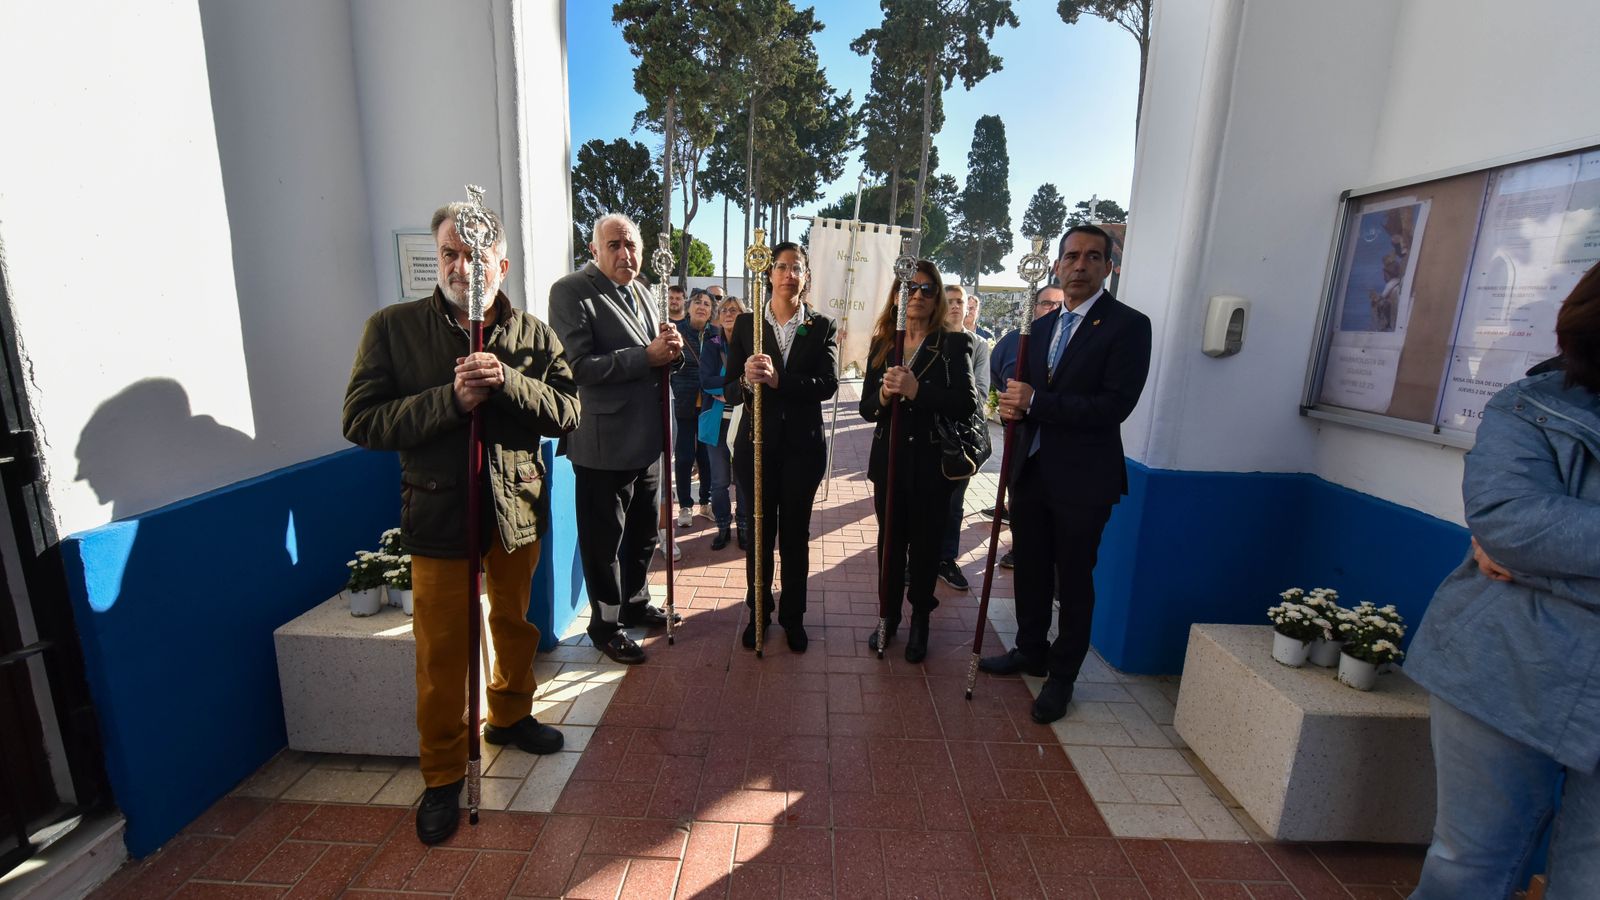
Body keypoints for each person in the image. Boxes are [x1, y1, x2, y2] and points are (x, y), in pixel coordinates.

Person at [342, 199, 582, 846]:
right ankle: (444, 774)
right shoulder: (392, 329)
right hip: (438, 511)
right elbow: (361, 421)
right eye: (449, 253)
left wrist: (508, 382)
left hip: (514, 511)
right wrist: (448, 401)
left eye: (475, 255)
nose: (461, 266)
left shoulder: (533, 336)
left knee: (514, 624)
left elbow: (567, 412)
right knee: (443, 650)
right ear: (436, 259)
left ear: (500, 264)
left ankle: (509, 715)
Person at [1404, 262, 1600, 898]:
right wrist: (1523, 546)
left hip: (1523, 619)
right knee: (1470, 863)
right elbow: (1512, 522)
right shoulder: (1534, 404)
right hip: (1505, 665)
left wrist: (1545, 566)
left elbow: (1523, 541)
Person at [979, 225, 1151, 724]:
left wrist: (1038, 402)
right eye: (1072, 256)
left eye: (1092, 257)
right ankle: (1029, 648)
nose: (1080, 265)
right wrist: (1015, 407)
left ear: (1108, 267)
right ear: (1057, 265)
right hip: (1030, 471)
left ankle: (1062, 676)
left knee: (1072, 580)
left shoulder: (1127, 326)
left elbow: (1114, 405)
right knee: (1030, 568)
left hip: (1083, 479)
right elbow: (1028, 395)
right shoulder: (1044, 326)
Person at [548, 213, 684, 666]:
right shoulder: (570, 291)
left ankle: (636, 601)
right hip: (603, 443)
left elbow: (656, 359)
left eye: (631, 245)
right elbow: (577, 367)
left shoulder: (646, 292)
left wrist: (672, 352)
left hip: (649, 438)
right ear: (594, 250)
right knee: (604, 542)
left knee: (644, 534)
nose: (625, 254)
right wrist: (644, 356)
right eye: (614, 245)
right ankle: (605, 625)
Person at [724, 242, 838, 652]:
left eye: (798, 268)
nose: (790, 274)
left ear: (806, 277)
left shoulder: (821, 325)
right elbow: (727, 388)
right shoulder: (747, 324)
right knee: (758, 534)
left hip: (802, 450)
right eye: (783, 266)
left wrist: (778, 382)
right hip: (756, 447)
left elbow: (828, 385)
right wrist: (744, 381)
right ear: (769, 273)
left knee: (794, 537)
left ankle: (793, 617)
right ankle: (759, 613)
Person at [860, 261, 976, 662]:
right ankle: (887, 618)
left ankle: (920, 622)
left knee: (925, 549)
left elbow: (966, 405)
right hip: (888, 463)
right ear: (896, 295)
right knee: (890, 545)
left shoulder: (953, 344)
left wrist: (916, 390)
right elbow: (865, 408)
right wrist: (884, 398)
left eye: (928, 289)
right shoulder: (883, 343)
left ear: (938, 297)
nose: (918, 295)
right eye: (910, 288)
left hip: (931, 466)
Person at [982, 285, 1064, 564]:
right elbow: (997, 378)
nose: (1052, 310)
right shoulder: (1015, 340)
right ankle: (1019, 548)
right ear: (1034, 307)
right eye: (1046, 304)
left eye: (1058, 305)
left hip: (1066, 449)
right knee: (1020, 497)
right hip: (1022, 437)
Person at [936, 285, 991, 591]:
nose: (956, 306)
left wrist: (940, 398)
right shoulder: (928, 339)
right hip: (927, 433)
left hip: (961, 436)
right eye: (950, 301)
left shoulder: (978, 345)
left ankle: (946, 558)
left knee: (954, 503)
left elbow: (979, 393)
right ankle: (912, 557)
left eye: (961, 301)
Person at [700, 296, 752, 551]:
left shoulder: (752, 344)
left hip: (744, 422)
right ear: (718, 317)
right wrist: (736, 385)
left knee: (743, 479)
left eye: (735, 310)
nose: (729, 314)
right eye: (724, 310)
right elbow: (706, 381)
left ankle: (743, 527)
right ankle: (722, 526)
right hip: (718, 423)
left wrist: (729, 388)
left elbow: (754, 380)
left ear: (744, 315)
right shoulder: (712, 344)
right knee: (719, 482)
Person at [672, 290, 715, 526]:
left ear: (711, 312)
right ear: (688, 307)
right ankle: (686, 507)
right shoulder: (677, 331)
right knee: (685, 455)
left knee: (706, 456)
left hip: (709, 405)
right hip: (685, 403)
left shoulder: (716, 335)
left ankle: (705, 503)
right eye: (697, 302)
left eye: (707, 304)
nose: (701, 307)